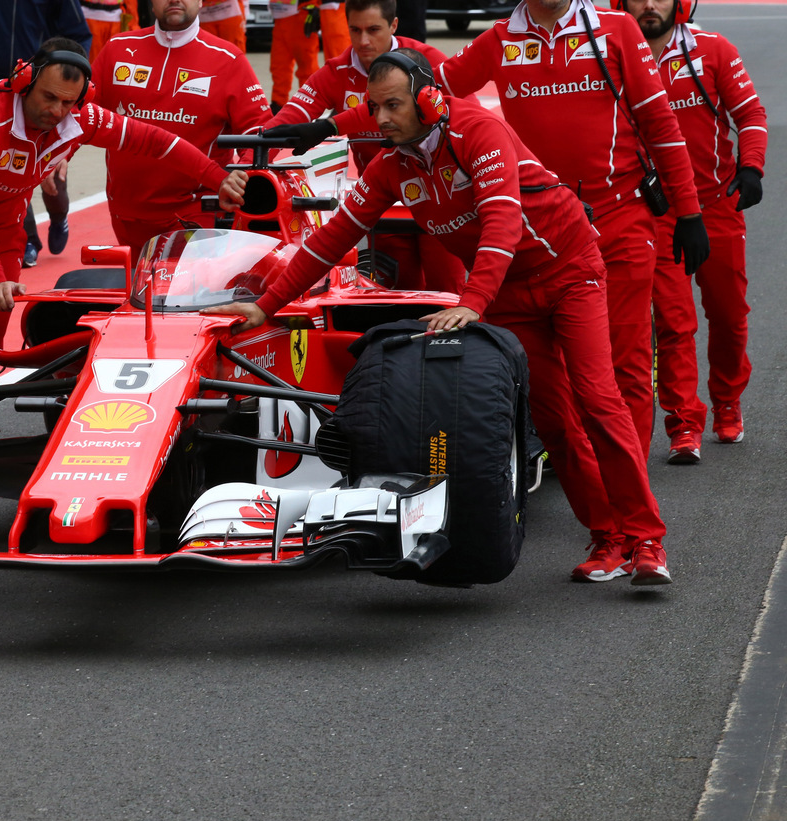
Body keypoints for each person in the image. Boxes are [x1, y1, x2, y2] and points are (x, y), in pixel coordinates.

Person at [204, 50, 672, 584]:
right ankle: (608, 536)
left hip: (569, 269)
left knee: (596, 396)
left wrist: (471, 301)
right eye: (374, 107)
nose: (380, 119)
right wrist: (264, 304)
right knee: (554, 420)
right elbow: (331, 241)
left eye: (392, 105)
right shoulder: (389, 167)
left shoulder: (478, 131)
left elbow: (502, 220)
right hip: (510, 292)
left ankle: (648, 540)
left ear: (428, 99)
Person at [433, 0, 709, 456]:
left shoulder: (617, 28)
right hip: (545, 232)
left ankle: (627, 492)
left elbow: (661, 125)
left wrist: (689, 212)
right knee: (557, 377)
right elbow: (421, 93)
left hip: (621, 217)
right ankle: (590, 479)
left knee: (628, 362)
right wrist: (327, 124)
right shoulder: (499, 38)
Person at [0, 39, 247, 392]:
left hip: (3, 231)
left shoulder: (82, 118)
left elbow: (157, 141)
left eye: (68, 102)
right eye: (49, 97)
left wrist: (218, 178)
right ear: (25, 82)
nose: (57, 111)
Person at [624, 0, 767, 460]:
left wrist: (751, 167)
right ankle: (683, 424)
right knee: (672, 322)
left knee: (728, 316)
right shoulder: (613, 57)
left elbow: (751, 115)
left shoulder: (713, 50)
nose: (649, 5)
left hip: (717, 206)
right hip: (656, 212)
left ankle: (727, 401)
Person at [262, 0, 468, 291]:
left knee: (448, 294)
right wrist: (244, 166)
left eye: (373, 29)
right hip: (385, 204)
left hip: (441, 201)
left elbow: (468, 122)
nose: (363, 41)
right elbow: (283, 123)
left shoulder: (428, 61)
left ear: (394, 25)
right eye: (354, 30)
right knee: (395, 298)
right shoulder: (336, 71)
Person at [91, 0, 271, 259]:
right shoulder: (116, 49)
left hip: (194, 215)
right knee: (140, 296)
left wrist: (242, 176)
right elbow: (79, 116)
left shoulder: (229, 59)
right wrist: (60, 156)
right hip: (125, 215)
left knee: (180, 294)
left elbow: (260, 134)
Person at [0, 0, 91, 266]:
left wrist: (71, 82)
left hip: (44, 86)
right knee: (5, 169)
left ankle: (59, 216)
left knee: (52, 175)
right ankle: (26, 238)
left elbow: (80, 34)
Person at [269, 2, 320, 113]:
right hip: (282, 15)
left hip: (302, 13)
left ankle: (309, 105)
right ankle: (278, 104)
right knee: (279, 65)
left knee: (307, 66)